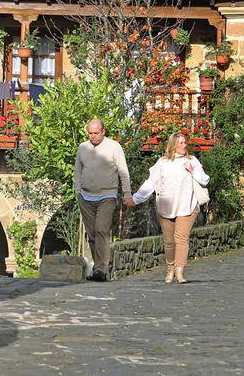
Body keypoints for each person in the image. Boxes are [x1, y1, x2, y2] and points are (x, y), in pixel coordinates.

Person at [130, 132, 209, 284]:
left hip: (187, 205)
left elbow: (204, 180)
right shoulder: (162, 163)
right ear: (173, 145)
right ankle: (170, 268)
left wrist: (193, 172)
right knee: (169, 241)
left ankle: (180, 271)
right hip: (166, 206)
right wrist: (135, 199)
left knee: (181, 238)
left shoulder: (192, 160)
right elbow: (151, 183)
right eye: (180, 143)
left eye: (185, 142)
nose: (184, 145)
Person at [73, 118, 132, 282]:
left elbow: (123, 171)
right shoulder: (82, 148)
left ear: (103, 131)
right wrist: (78, 190)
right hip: (86, 196)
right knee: (91, 234)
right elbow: (78, 170)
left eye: (96, 133)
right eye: (90, 133)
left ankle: (102, 270)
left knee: (101, 230)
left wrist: (127, 193)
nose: (93, 136)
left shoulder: (114, 147)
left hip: (107, 195)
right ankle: (98, 268)